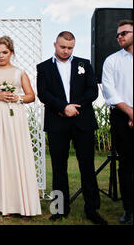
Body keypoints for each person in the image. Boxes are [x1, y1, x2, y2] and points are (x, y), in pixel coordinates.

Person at [37, 31, 107, 225]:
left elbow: (92, 91)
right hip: (57, 122)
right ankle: (59, 209)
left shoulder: (84, 64)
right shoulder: (43, 67)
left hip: (82, 121)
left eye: (70, 48)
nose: (66, 51)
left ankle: (92, 209)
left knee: (87, 166)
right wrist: (62, 107)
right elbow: (43, 93)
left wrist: (73, 107)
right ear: (55, 44)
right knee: (58, 167)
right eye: (63, 47)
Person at [0, 36, 41, 218]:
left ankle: (23, 203)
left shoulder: (19, 73)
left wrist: (17, 97)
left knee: (18, 155)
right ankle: (4, 204)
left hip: (16, 119)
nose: (1, 56)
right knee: (2, 156)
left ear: (11, 53)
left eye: (4, 52)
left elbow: (31, 96)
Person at [102, 19, 133, 224]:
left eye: (124, 33)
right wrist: (130, 113)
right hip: (122, 118)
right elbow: (108, 91)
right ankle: (128, 209)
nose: (119, 37)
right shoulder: (111, 61)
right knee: (126, 165)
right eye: (118, 34)